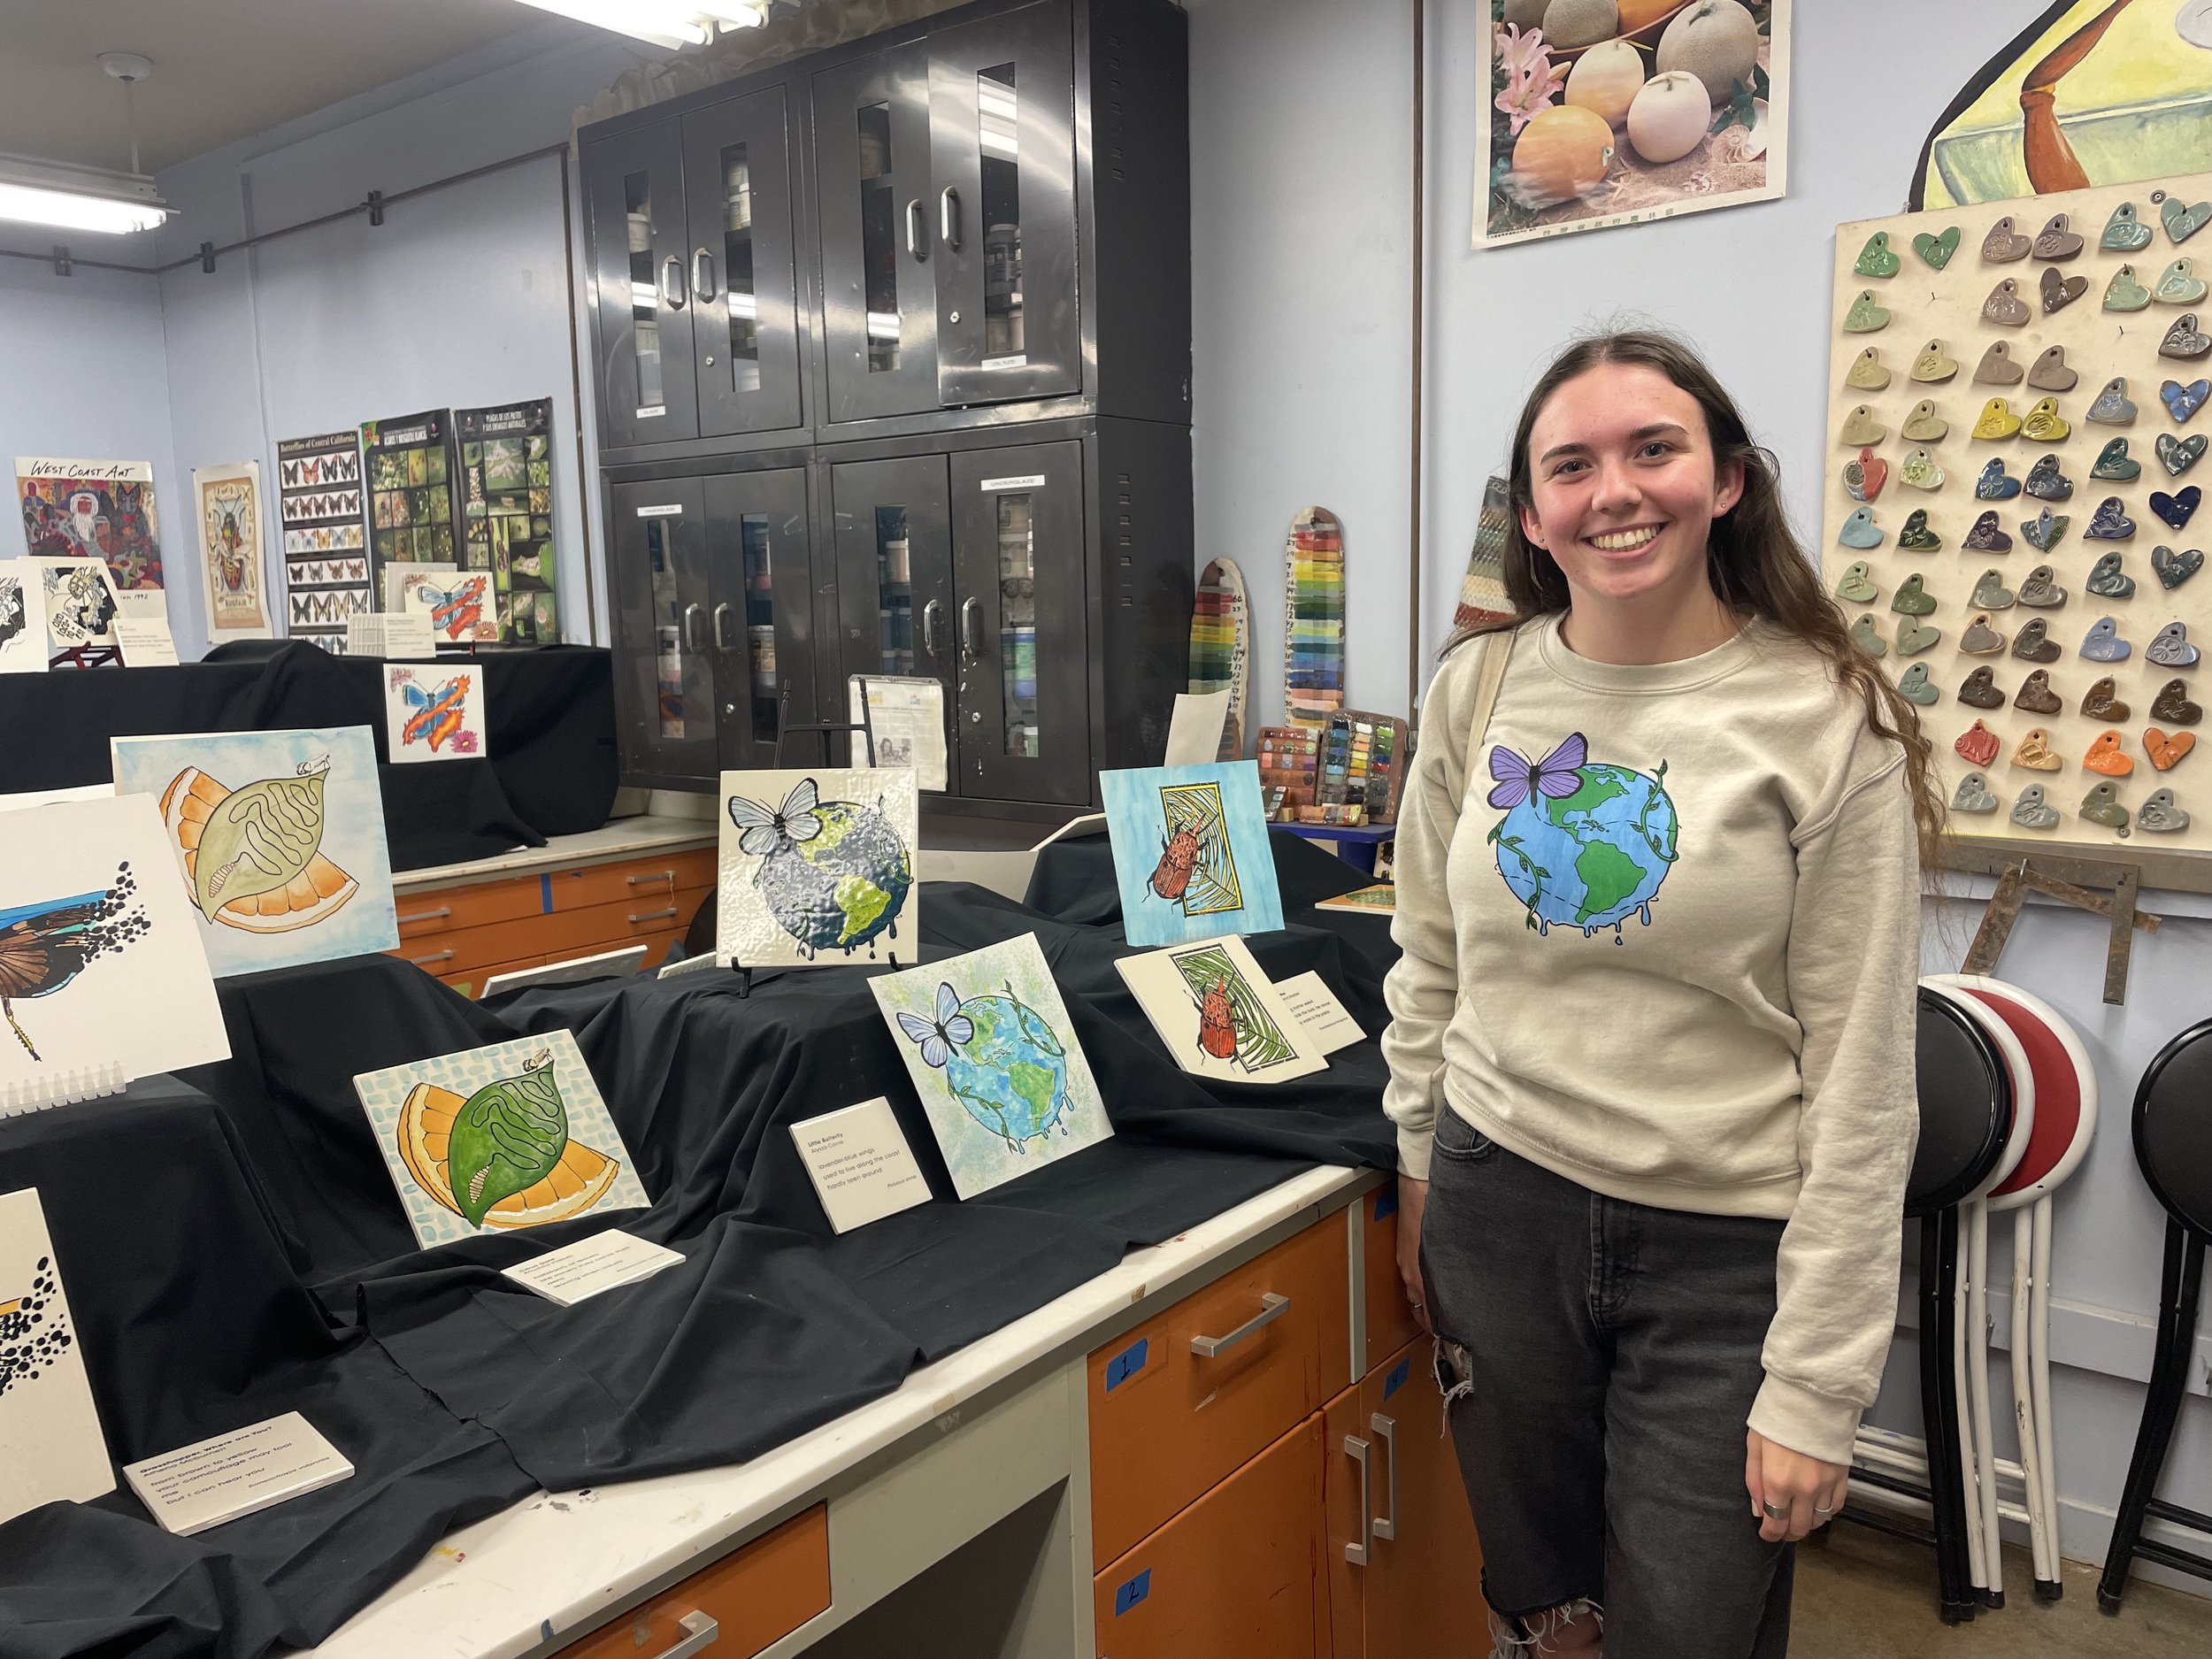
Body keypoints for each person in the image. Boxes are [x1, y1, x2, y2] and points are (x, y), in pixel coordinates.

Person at [1382, 329, 1944, 1658]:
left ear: (1728, 479)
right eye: (1570, 465)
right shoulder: (1480, 686)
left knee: (1689, 1625)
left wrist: (1818, 1387)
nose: (1614, 491)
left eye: (1654, 449)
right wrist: (1420, 1179)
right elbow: (1427, 957)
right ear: (1532, 514)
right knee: (1543, 1612)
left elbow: (1866, 1072)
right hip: (1497, 1206)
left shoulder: (1824, 715)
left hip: (1725, 1250)